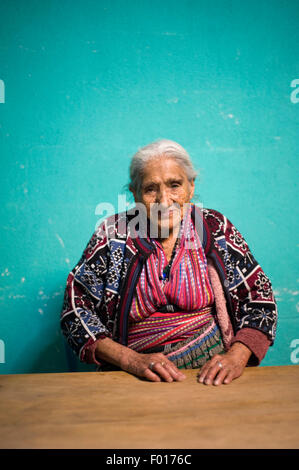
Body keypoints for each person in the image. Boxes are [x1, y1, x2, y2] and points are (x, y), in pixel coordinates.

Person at [60, 139, 277, 385]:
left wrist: (236, 357)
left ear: (191, 187)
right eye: (151, 188)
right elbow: (74, 312)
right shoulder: (113, 234)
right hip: (134, 377)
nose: (164, 200)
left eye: (175, 185)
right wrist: (131, 361)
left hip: (212, 374)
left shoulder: (214, 228)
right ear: (135, 193)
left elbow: (260, 299)